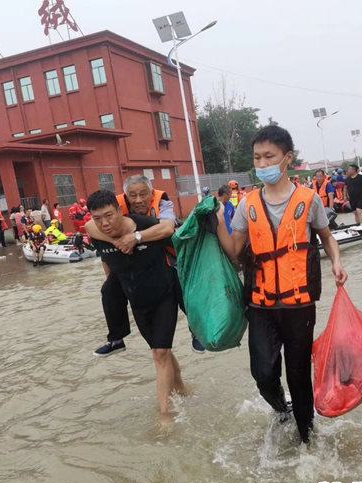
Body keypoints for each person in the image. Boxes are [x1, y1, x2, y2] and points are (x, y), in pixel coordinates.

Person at [214, 125, 347, 444]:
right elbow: (234, 251)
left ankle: (306, 437)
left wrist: (338, 262)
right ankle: (280, 409)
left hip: (299, 304)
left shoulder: (309, 199)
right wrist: (217, 219)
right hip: (260, 305)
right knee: (262, 372)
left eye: (268, 157)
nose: (262, 164)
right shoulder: (247, 204)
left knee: (299, 374)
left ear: (287, 158)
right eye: (257, 158)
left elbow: (327, 237)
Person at [85, 190, 186, 415]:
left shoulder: (145, 225)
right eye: (98, 218)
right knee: (164, 353)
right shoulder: (97, 233)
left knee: (159, 354)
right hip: (138, 302)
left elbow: (176, 236)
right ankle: (182, 390)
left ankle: (166, 414)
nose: (104, 223)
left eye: (109, 215)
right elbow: (108, 261)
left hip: (164, 294)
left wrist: (136, 238)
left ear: (120, 210)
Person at [88, 174, 205, 356]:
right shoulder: (112, 210)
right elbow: (91, 228)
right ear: (125, 198)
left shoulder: (163, 204)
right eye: (133, 195)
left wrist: (135, 237)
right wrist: (116, 241)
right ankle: (116, 339)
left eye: (144, 194)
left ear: (151, 193)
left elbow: (166, 228)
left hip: (164, 250)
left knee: (182, 284)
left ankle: (196, 331)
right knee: (109, 289)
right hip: (131, 259)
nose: (138, 200)